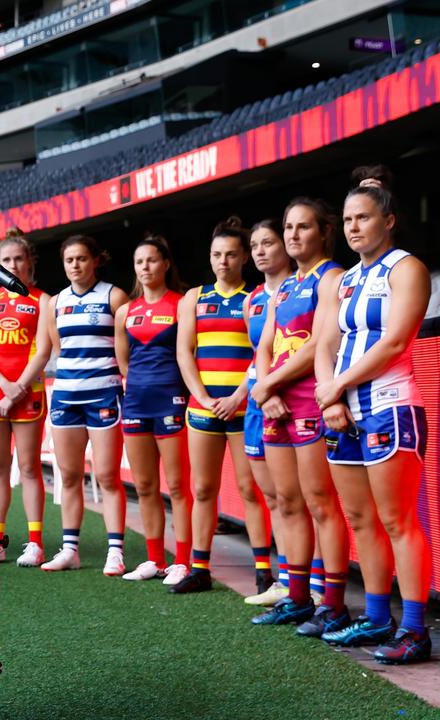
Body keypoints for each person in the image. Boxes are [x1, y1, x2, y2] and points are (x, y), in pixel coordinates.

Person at [317, 183, 433, 663]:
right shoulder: (345, 281)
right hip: (343, 411)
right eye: (348, 221)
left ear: (388, 220)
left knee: (397, 520)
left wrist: (336, 386)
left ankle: (414, 631)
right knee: (361, 520)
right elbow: (324, 343)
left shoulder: (408, 269)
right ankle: (378, 618)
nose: (354, 228)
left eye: (363, 218)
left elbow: (393, 343)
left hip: (390, 404)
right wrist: (331, 399)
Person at [251, 198, 350, 635]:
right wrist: (264, 387)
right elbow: (265, 344)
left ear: (323, 231)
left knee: (320, 504)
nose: (293, 235)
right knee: (287, 503)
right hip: (276, 406)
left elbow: (318, 345)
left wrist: (267, 383)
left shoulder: (332, 276)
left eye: (302, 227)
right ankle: (297, 598)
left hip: (310, 401)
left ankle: (333, 605)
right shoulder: (287, 285)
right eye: (288, 227)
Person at [172, 218, 272, 595]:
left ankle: (264, 571)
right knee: (202, 489)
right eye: (217, 254)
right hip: (203, 409)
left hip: (243, 408)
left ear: (244, 256)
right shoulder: (195, 297)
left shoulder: (256, 298)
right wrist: (202, 396)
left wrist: (237, 397)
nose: (223, 261)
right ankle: (199, 569)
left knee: (250, 490)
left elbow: (261, 353)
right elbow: (185, 352)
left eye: (231, 254)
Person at [40, 236, 128, 575]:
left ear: (96, 261)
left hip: (104, 394)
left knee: (107, 476)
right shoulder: (57, 302)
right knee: (70, 475)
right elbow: (59, 349)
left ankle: (115, 551)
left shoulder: (114, 296)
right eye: (69, 260)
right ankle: (70, 550)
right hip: (66, 396)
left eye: (81, 259)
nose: (75, 265)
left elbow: (125, 348)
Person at [113, 234, 192, 583]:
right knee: (145, 486)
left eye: (152, 260)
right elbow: (124, 362)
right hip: (136, 402)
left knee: (177, 486)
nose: (145, 267)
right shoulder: (125, 311)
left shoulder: (182, 303)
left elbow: (188, 351)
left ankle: (184, 561)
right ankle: (154, 559)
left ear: (166, 264)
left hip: (171, 400)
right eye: (139, 262)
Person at [0, 233, 51, 567]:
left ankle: (35, 543)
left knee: (28, 467)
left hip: (28, 394)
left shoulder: (43, 300)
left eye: (18, 259)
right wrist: (3, 386)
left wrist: (17, 388)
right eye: (6, 260)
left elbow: (43, 350)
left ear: (29, 262)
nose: (12, 265)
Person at [241, 219, 297, 606]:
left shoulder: (305, 288)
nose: (261, 251)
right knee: (273, 497)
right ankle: (286, 578)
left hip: (294, 400)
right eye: (255, 245)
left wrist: (275, 388)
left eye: (268, 242)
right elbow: (257, 353)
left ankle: (313, 582)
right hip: (258, 401)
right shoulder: (253, 300)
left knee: (300, 498)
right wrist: (261, 392)